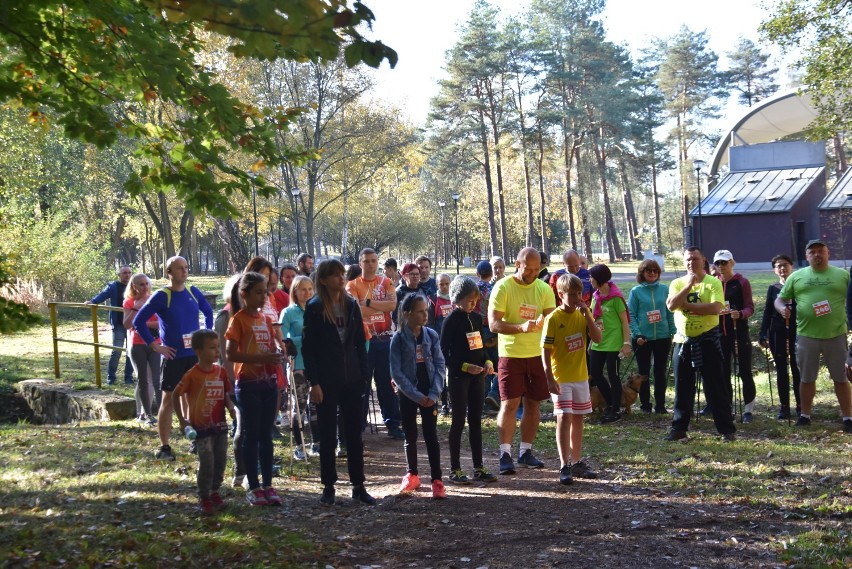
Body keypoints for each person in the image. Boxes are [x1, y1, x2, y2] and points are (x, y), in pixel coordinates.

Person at [302, 259, 376, 506]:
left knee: (354, 434)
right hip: (326, 380)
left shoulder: (352, 304)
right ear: (323, 280)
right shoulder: (314, 308)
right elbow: (308, 349)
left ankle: (358, 485)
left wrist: (364, 374)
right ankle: (328, 486)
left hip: (352, 378)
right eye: (334, 275)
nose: (340, 278)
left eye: (341, 274)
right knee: (327, 434)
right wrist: (314, 382)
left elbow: (359, 343)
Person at [134, 256, 214, 461]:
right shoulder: (162, 296)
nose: (184, 271)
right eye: (179, 268)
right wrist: (155, 346)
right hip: (173, 357)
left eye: (186, 267)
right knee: (168, 400)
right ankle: (165, 446)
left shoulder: (193, 292)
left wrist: (206, 333)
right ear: (169, 272)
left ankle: (195, 439)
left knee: (194, 398)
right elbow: (139, 321)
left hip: (194, 356)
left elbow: (208, 312)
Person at [488, 247, 556, 474]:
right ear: (518, 264)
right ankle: (505, 453)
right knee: (509, 403)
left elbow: (552, 321)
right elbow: (493, 324)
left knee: (534, 403)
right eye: (529, 269)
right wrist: (521, 327)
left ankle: (525, 452)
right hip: (511, 355)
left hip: (538, 355)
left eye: (538, 269)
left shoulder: (544, 288)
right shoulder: (503, 286)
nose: (534, 273)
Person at [775, 240, 852, 432]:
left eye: (821, 251)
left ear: (828, 254)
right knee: (807, 378)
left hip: (836, 334)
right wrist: (782, 308)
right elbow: (780, 299)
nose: (817, 255)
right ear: (806, 256)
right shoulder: (797, 276)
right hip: (807, 335)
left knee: (841, 378)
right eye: (813, 252)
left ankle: (848, 417)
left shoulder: (843, 276)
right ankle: (805, 415)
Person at [225, 271, 285, 506]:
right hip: (248, 384)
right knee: (251, 435)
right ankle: (253, 485)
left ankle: (268, 485)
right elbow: (230, 353)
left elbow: (270, 346)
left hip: (268, 383)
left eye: (265, 293)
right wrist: (258, 357)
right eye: (258, 292)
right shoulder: (238, 319)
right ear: (244, 294)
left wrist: (276, 354)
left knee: (266, 435)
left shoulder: (266, 320)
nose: (263, 297)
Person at [664, 247, 736, 442]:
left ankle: (726, 430)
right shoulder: (677, 283)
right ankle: (679, 428)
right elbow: (671, 306)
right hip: (683, 341)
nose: (691, 263)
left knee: (715, 387)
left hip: (708, 341)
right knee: (682, 388)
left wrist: (686, 305)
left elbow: (715, 308)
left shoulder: (713, 282)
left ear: (703, 260)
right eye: (688, 259)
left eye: (695, 259)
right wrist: (688, 287)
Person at [542, 273, 601, 484]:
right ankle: (563, 465)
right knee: (564, 417)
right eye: (572, 294)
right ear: (560, 294)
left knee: (578, 417)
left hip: (581, 376)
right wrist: (549, 377)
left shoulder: (583, 314)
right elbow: (545, 350)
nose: (577, 298)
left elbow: (597, 338)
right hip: (561, 377)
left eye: (580, 294)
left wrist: (587, 316)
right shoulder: (553, 319)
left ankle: (576, 462)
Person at [441, 276, 498, 485]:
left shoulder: (475, 318)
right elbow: (443, 352)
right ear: (458, 298)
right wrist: (464, 367)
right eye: (469, 300)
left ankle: (478, 466)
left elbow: (480, 346)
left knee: (476, 420)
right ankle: (455, 469)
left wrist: (488, 362)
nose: (473, 304)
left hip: (478, 377)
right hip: (459, 377)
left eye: (476, 300)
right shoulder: (451, 320)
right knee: (458, 421)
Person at [390, 293, 447, 498]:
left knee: (431, 436)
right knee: (410, 435)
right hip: (408, 394)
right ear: (408, 314)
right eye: (420, 311)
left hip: (429, 393)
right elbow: (397, 373)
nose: (425, 315)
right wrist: (415, 395)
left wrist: (433, 393)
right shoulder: (397, 339)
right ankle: (412, 474)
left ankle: (437, 480)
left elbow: (440, 365)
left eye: (426, 311)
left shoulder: (431, 335)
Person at [173, 329, 236, 514]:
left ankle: (215, 491)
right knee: (207, 460)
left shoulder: (221, 372)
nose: (217, 352)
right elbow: (176, 394)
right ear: (199, 352)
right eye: (212, 348)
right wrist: (182, 421)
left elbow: (225, 393)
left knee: (221, 459)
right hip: (201, 428)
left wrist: (231, 407)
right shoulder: (193, 374)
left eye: (218, 347)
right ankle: (204, 496)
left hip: (220, 426)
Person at [346, 248, 403, 439]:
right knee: (362, 384)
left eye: (373, 260)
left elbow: (392, 306)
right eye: (366, 261)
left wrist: (367, 303)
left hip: (385, 340)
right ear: (360, 263)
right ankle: (359, 424)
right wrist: (377, 305)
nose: (370, 264)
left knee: (387, 383)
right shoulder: (352, 285)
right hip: (364, 341)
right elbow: (356, 312)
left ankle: (393, 423)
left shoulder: (386, 282)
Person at [713, 250, 757, 422]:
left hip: (739, 333)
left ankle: (748, 410)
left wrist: (741, 314)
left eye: (724, 262)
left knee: (745, 371)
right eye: (718, 263)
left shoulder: (741, 282)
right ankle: (727, 407)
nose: (721, 266)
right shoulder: (712, 283)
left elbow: (750, 307)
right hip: (719, 335)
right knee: (723, 372)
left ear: (732, 262)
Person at [627, 259, 675, 414]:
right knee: (644, 372)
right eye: (649, 271)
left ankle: (660, 405)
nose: (652, 273)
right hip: (643, 338)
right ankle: (645, 404)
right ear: (642, 273)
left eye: (655, 271)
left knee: (660, 372)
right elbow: (631, 315)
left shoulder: (665, 289)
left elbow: (670, 312)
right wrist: (637, 333)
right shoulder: (636, 291)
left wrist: (673, 331)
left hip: (663, 336)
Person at [588, 264, 632, 423]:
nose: (590, 280)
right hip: (598, 342)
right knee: (596, 373)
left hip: (614, 343)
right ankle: (611, 403)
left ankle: (615, 410)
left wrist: (626, 343)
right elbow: (594, 321)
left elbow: (625, 322)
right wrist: (591, 342)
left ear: (599, 278)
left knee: (613, 375)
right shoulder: (596, 296)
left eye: (591, 277)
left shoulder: (616, 298)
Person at [759, 254, 801, 420]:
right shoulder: (773, 288)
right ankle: (784, 407)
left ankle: (800, 405)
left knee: (797, 369)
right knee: (781, 369)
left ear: (791, 266)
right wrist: (763, 332)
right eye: (778, 266)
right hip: (777, 332)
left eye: (785, 265)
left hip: (797, 331)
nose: (782, 268)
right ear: (774, 270)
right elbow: (768, 312)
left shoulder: (799, 286)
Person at [279, 275, 316, 461]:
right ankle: (299, 446)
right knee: (299, 408)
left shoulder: (317, 310)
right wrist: (303, 340)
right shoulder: (288, 313)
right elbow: (283, 340)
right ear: (295, 291)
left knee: (316, 405)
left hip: (316, 364)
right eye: (303, 289)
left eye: (310, 289)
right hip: (298, 365)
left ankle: (316, 442)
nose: (307, 293)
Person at [85, 265, 134, 385]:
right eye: (124, 273)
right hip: (118, 324)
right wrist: (92, 301)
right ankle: (111, 378)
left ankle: (128, 378)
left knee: (131, 351)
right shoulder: (113, 286)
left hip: (133, 325)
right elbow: (103, 295)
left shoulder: (135, 286)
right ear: (119, 275)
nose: (127, 275)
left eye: (129, 273)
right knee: (116, 351)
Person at [123, 273, 161, 424]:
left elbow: (161, 324)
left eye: (146, 284)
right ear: (134, 286)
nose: (145, 287)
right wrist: (136, 309)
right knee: (143, 379)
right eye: (141, 284)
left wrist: (141, 324)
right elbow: (127, 324)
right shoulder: (129, 302)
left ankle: (151, 413)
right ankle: (144, 413)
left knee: (155, 380)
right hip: (137, 344)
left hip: (155, 343)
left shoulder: (155, 300)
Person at [476, 261, 500, 412]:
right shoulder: (496, 289)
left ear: (478, 274)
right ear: (491, 274)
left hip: (477, 329)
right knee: (497, 364)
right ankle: (493, 394)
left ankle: (483, 400)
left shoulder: (473, 289)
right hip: (493, 329)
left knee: (482, 363)